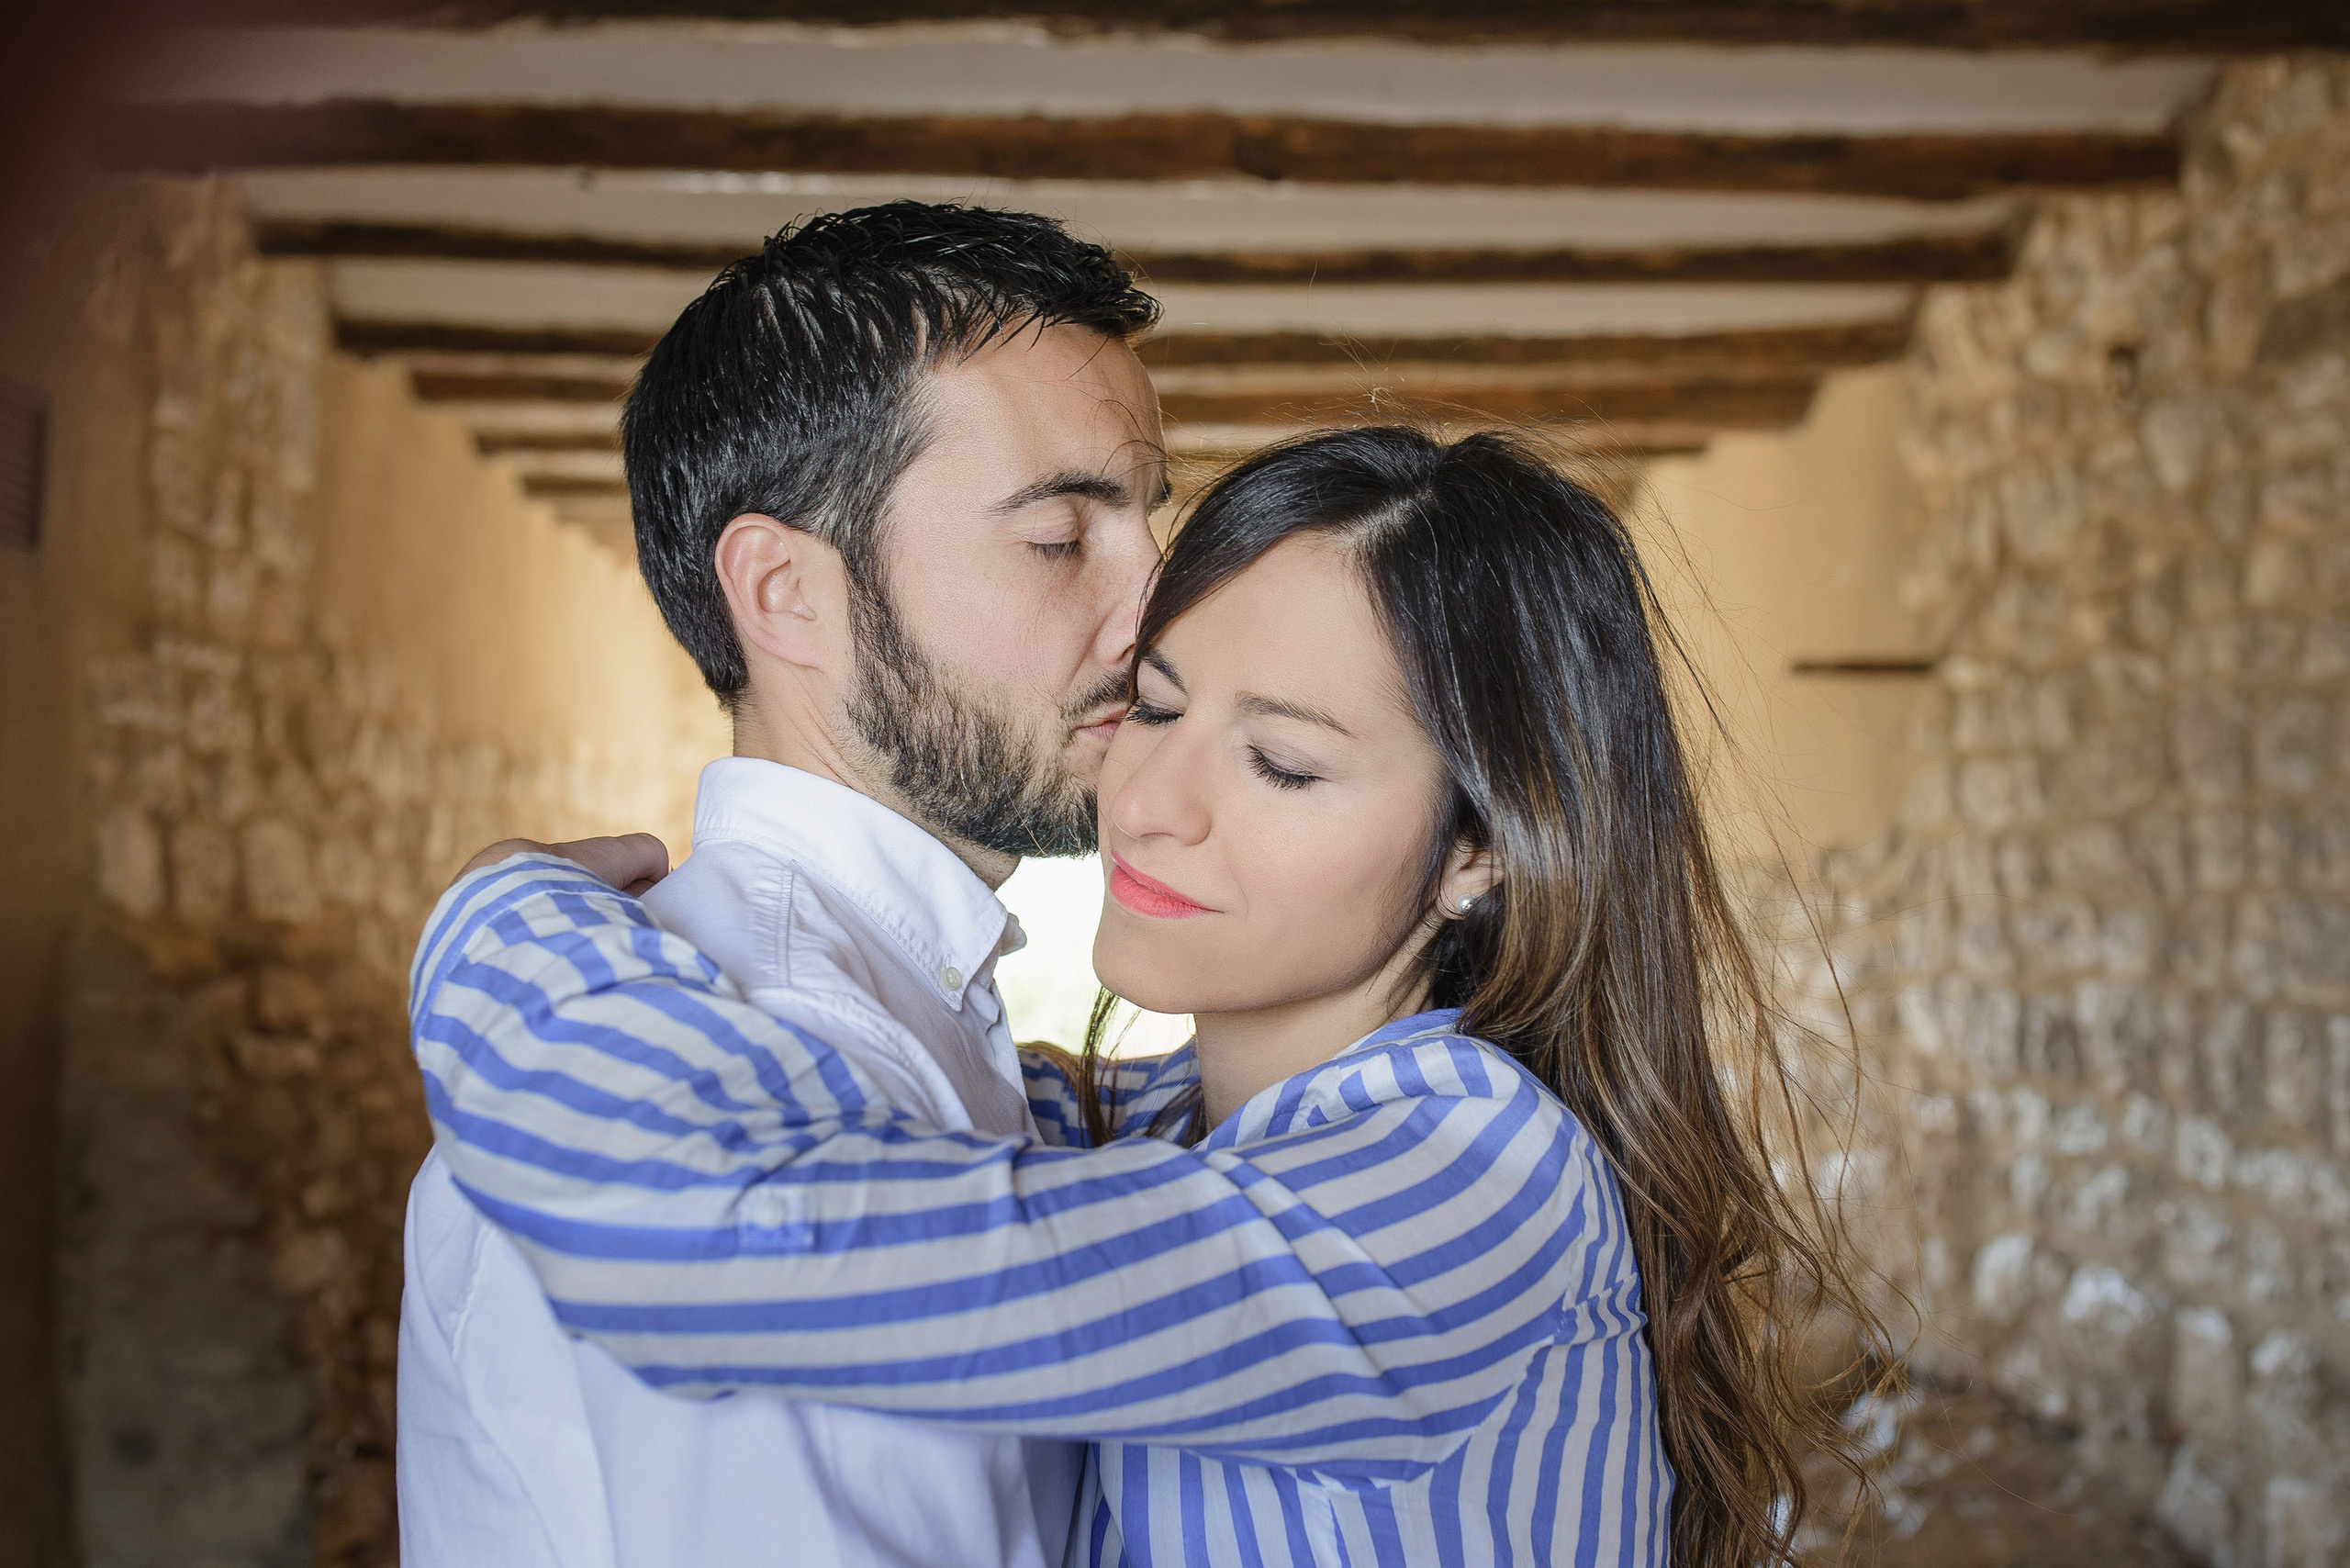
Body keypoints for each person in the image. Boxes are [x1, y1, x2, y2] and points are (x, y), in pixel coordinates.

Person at [413, 426, 1879, 1568]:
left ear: (1480, 851)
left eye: (1284, 765)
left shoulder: (1463, 1187)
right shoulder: (1165, 1130)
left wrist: (498, 920)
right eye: (1156, 708)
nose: (1150, 803)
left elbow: (715, 1245)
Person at [395, 201, 1165, 1568]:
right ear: (787, 594)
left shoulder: (902, 1013)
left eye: (1150, 523)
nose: (1157, 613)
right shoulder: (780, 1071)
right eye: (1060, 536)